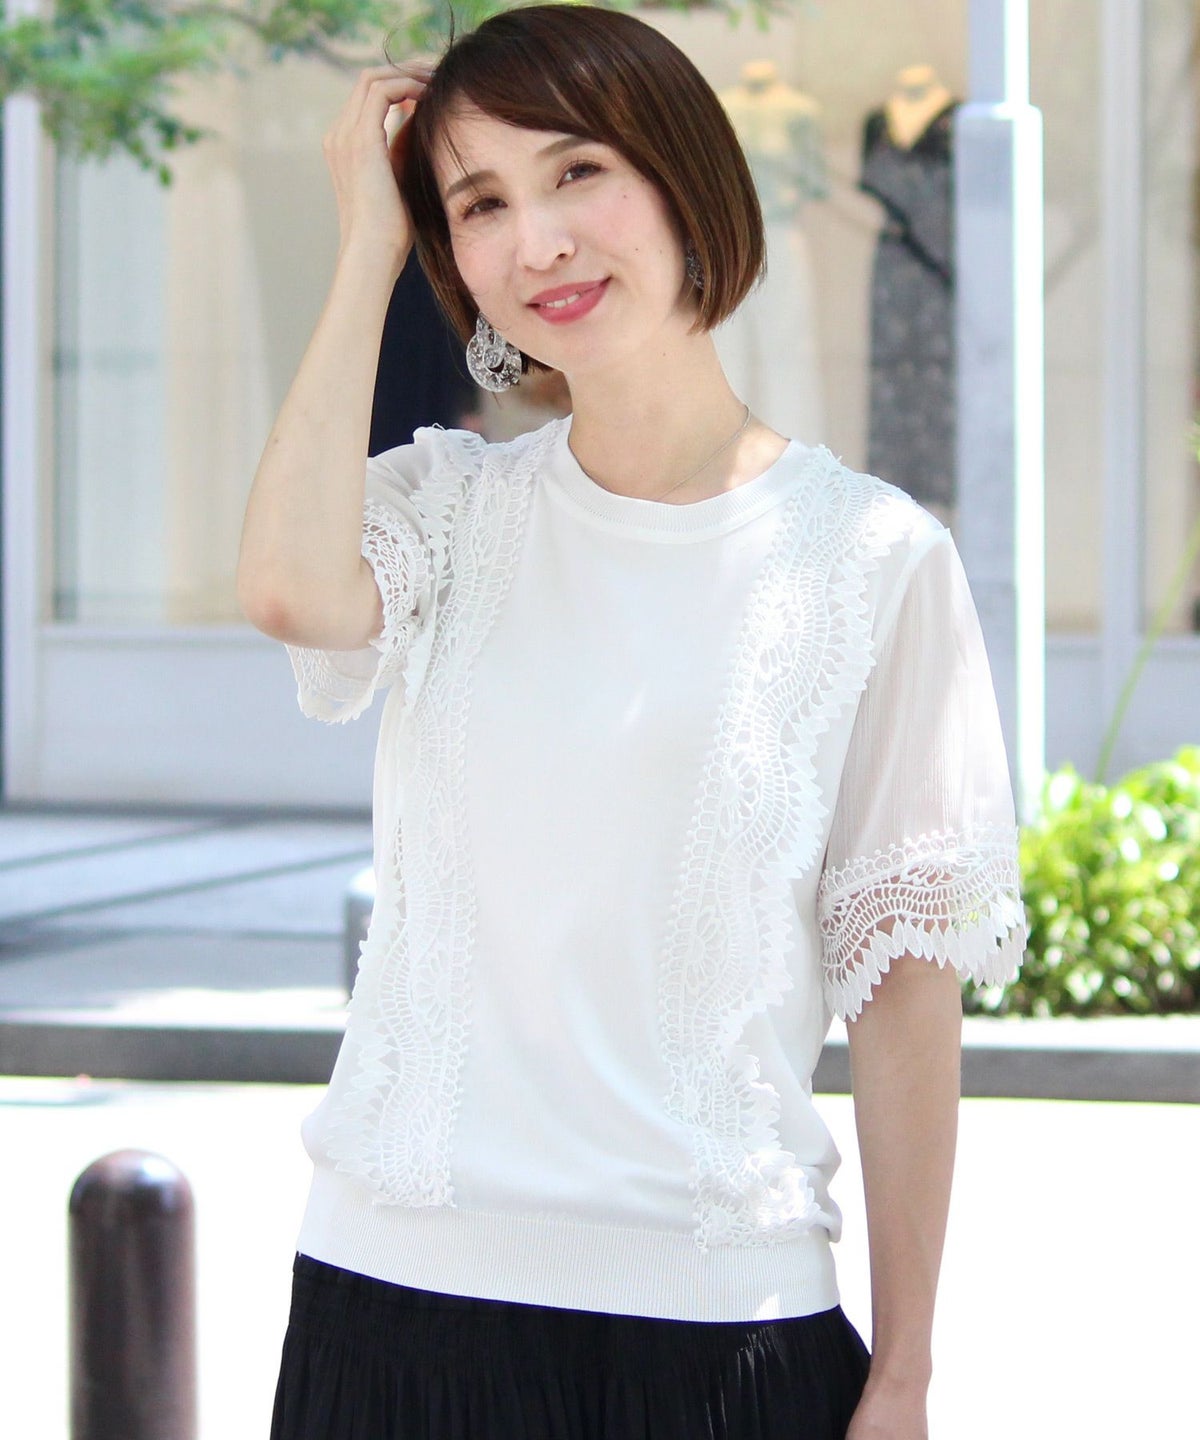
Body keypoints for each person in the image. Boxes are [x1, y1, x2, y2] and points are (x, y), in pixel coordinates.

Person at [237, 8, 1026, 1439]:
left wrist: (905, 1371)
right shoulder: (449, 514)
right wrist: (366, 247)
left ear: (682, 178)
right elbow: (291, 590)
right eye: (481, 204)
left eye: (577, 172)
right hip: (396, 1301)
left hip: (719, 1327)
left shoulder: (871, 559)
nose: (538, 241)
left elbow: (906, 995)